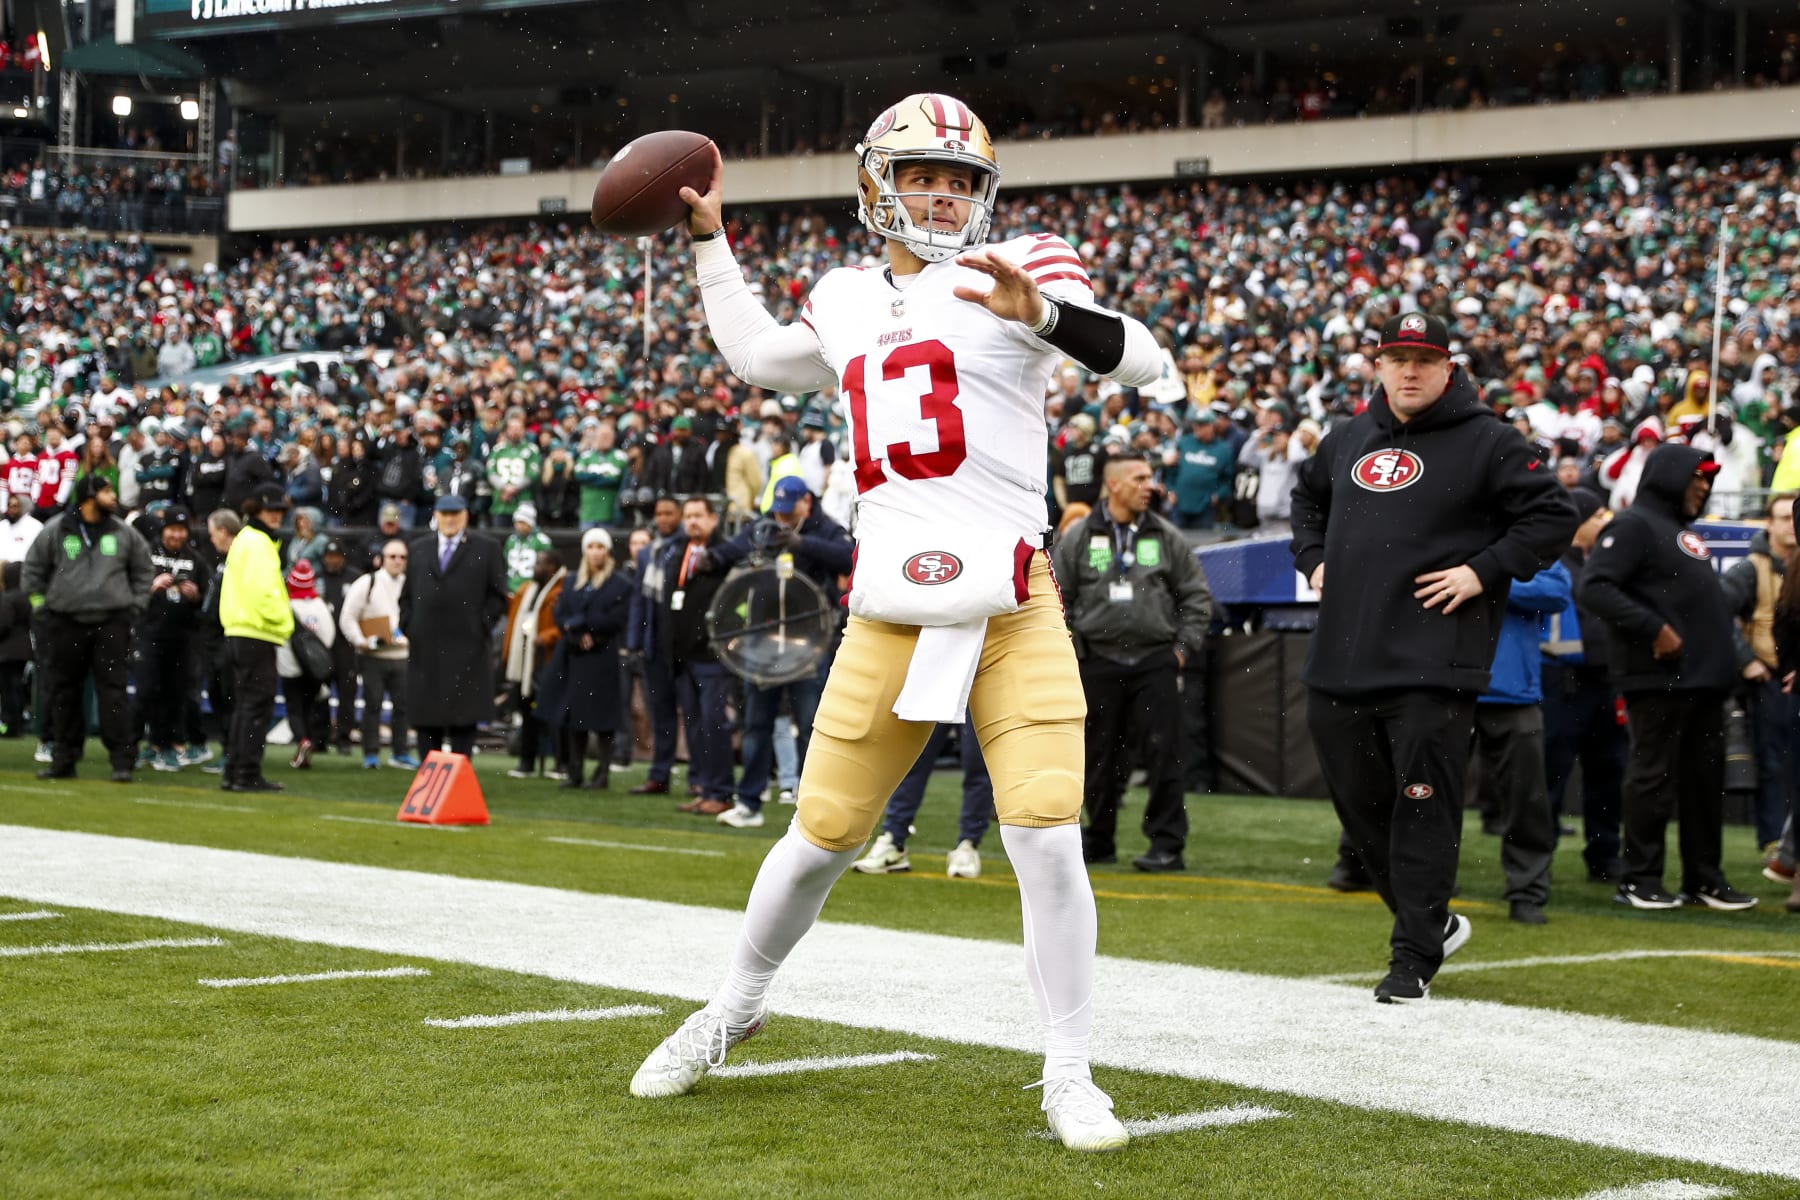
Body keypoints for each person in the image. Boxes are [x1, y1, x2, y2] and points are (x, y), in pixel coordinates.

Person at [629, 93, 1164, 1152]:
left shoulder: (1026, 267)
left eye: (962, 180)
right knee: (819, 839)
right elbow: (760, 357)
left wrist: (1041, 318)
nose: (945, 195)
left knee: (1047, 835)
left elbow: (1140, 359)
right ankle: (734, 1008)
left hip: (1012, 603)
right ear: (875, 183)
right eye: (925, 175)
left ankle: (1069, 1071)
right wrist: (710, 244)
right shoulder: (843, 295)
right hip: (889, 612)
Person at [1290, 311, 1578, 1004]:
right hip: (1340, 662)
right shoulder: (1349, 437)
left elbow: (1553, 514)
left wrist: (1485, 569)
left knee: (1422, 810)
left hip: (1431, 665)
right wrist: (1312, 557)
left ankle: (1411, 958)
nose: (1409, 370)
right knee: (1363, 815)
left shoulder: (1490, 441)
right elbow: (1306, 498)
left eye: (1423, 358)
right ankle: (1433, 921)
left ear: (1449, 367)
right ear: (1378, 365)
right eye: (1396, 358)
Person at [1580, 445, 1757, 911]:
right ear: (1669, 475)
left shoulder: (1681, 532)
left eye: (1709, 479)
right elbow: (1596, 586)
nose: (1704, 486)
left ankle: (1704, 879)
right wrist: (1653, 629)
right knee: (1653, 780)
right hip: (1656, 678)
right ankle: (1640, 878)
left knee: (1704, 785)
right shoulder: (1634, 524)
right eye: (1697, 477)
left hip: (1703, 681)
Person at [1053, 454, 1214, 872]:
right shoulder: (1080, 537)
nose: (1150, 485)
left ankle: (1166, 844)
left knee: (1164, 755)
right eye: (1140, 478)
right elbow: (1057, 598)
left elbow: (1197, 597)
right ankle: (1099, 838)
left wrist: (1182, 649)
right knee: (1097, 756)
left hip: (1153, 659)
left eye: (1150, 478)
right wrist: (1071, 646)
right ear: (1115, 485)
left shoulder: (1167, 536)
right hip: (1098, 659)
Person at [710, 477, 854, 829]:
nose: (783, 517)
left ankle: (810, 806)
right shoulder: (765, 527)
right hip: (764, 643)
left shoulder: (826, 529)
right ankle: (749, 803)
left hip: (808, 645)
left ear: (807, 501)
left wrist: (802, 543)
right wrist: (711, 557)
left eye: (789, 510)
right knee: (757, 724)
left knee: (810, 726)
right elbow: (730, 551)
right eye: (778, 510)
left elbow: (849, 559)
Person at [21, 473, 152, 781]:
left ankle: (122, 761)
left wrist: (134, 606)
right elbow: (33, 569)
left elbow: (144, 569)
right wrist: (41, 608)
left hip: (111, 622)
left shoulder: (123, 532)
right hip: (65, 622)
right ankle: (64, 759)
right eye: (107, 491)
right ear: (89, 496)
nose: (113, 497)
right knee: (64, 693)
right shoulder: (56, 530)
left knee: (114, 693)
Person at [1468, 559, 1570, 925]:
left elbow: (1557, 591)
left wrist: (1479, 579)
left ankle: (1527, 893)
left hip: (1512, 692)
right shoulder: (1443, 520)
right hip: (1445, 687)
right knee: (1427, 795)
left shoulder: (1526, 534)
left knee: (1527, 800)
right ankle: (1427, 887)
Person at [1541, 490, 1627, 883]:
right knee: (1550, 776)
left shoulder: (1605, 565)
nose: (1605, 523)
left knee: (1608, 773)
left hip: (1605, 685)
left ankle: (1605, 855)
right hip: (1562, 684)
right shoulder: (1552, 563)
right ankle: (1537, 862)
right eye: (1598, 516)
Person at [1720, 493, 1798, 863]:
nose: (1788, 524)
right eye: (1781, 517)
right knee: (1773, 762)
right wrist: (1746, 661)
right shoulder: (1750, 568)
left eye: (1791, 517)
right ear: (1769, 523)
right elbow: (1719, 613)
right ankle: (1772, 840)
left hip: (1792, 675)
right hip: (1769, 679)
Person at [400, 493, 508, 758]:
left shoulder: (487, 548)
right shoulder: (418, 548)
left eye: (455, 514)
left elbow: (498, 597)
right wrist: (410, 626)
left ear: (465, 517)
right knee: (427, 718)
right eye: (444, 514)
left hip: (467, 647)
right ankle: (429, 779)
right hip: (426, 649)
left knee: (463, 717)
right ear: (435, 516)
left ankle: (460, 778)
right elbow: (407, 596)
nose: (449, 520)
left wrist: (481, 625)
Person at [538, 529, 634, 789]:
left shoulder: (620, 583)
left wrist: (585, 628)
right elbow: (561, 615)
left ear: (608, 551)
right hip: (573, 656)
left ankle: (602, 772)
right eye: (590, 546)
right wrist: (575, 634)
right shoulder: (571, 582)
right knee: (573, 716)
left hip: (602, 656)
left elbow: (616, 618)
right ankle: (575, 771)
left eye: (600, 546)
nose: (595, 552)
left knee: (603, 718)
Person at [218, 486, 295, 793]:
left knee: (245, 705)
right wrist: (284, 621)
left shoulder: (245, 539)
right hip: (257, 630)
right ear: (255, 510)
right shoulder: (260, 543)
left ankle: (235, 771)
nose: (275, 514)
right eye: (269, 509)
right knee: (256, 706)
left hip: (240, 629)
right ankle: (246, 773)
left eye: (278, 509)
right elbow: (263, 591)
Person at [663, 495, 735, 813]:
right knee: (693, 724)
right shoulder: (678, 552)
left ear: (713, 519)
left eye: (699, 516)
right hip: (683, 656)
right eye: (688, 516)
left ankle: (720, 792)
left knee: (713, 723)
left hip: (711, 656)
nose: (692, 521)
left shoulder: (725, 556)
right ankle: (704, 787)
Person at [852, 719, 994, 878]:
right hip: (935, 694)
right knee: (913, 759)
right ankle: (893, 839)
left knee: (977, 764)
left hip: (975, 694)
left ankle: (968, 844)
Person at [135, 508, 211, 772]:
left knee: (175, 693)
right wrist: (152, 586)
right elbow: (132, 586)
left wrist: (195, 596)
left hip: (183, 636)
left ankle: (166, 745)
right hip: (150, 632)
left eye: (181, 530)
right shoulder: (145, 554)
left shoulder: (196, 560)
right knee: (146, 690)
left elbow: (207, 598)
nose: (177, 535)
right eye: (172, 529)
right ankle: (136, 745)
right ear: (163, 529)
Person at [339, 537, 415, 769]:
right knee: (373, 705)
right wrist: (360, 640)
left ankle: (400, 752)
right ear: (381, 559)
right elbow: (347, 617)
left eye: (402, 557)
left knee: (403, 707)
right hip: (373, 655)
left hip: (402, 655)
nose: (397, 561)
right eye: (393, 556)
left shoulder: (411, 583)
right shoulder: (367, 582)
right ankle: (370, 753)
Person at [625, 496, 684, 796]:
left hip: (682, 645)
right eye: (659, 513)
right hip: (654, 643)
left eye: (668, 513)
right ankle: (659, 775)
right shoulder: (649, 553)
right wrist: (634, 642)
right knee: (659, 712)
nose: (663, 518)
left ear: (680, 515)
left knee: (691, 713)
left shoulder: (686, 547)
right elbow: (639, 598)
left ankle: (699, 777)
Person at [503, 549, 568, 779]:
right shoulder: (526, 590)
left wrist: (547, 636)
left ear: (553, 567)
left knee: (554, 714)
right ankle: (527, 760)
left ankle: (562, 763)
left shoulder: (562, 590)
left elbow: (564, 623)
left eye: (541, 563)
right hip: (524, 660)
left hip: (547, 658)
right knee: (526, 711)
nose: (536, 567)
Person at [276, 559, 336, 768]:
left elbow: (279, 635)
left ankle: (303, 741)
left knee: (294, 708)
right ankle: (309, 742)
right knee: (309, 707)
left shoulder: (285, 604)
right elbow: (328, 636)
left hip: (289, 666)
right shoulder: (321, 605)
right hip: (313, 668)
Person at [504, 503, 553, 593]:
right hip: (511, 589)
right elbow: (504, 565)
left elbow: (547, 569)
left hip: (531, 590)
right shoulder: (511, 540)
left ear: (530, 523)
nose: (518, 526)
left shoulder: (542, 541)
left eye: (522, 522)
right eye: (516, 522)